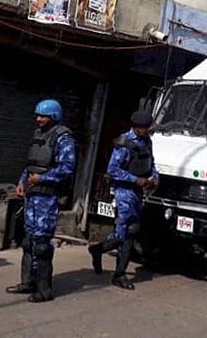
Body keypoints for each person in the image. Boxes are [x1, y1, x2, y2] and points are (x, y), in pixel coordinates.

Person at [6, 99, 77, 303]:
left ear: (53, 116)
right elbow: (31, 164)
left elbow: (67, 168)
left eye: (43, 116)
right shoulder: (38, 134)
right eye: (37, 115)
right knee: (29, 241)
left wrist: (43, 178)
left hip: (47, 197)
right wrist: (22, 182)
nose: (38, 119)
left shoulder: (63, 138)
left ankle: (44, 289)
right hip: (32, 194)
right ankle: (28, 282)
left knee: (42, 245)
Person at [88, 111, 158, 290]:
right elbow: (113, 169)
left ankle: (101, 253)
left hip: (138, 193)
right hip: (124, 192)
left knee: (131, 231)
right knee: (124, 233)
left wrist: (154, 177)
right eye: (145, 127)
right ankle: (117, 272)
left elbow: (151, 164)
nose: (148, 130)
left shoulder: (147, 141)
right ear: (137, 127)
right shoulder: (124, 143)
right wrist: (135, 179)